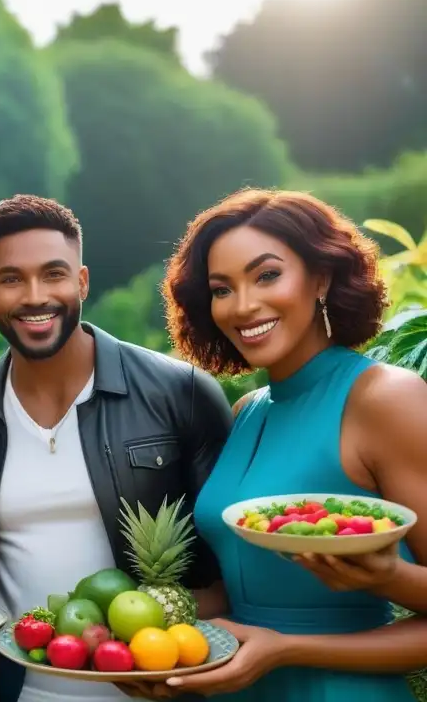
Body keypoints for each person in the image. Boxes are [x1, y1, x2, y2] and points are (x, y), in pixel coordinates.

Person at [0, 195, 233, 702]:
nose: (34, 296)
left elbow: (233, 573)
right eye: (10, 279)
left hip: (157, 687)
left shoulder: (183, 395)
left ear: (82, 282)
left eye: (53, 274)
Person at [150, 187, 427, 701]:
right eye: (221, 288)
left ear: (321, 277)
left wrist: (289, 647)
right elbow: (246, 591)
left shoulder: (386, 398)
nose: (244, 305)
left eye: (267, 275)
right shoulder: (248, 412)